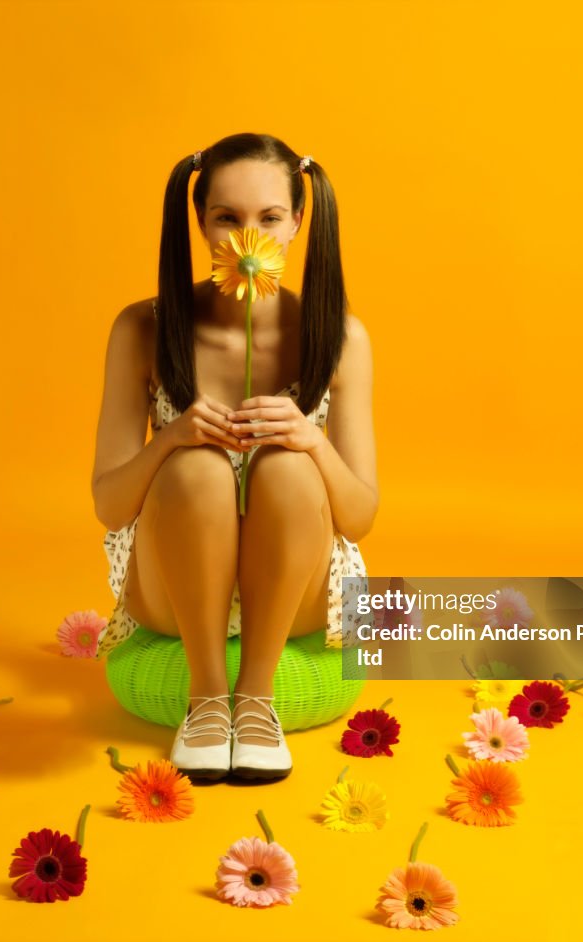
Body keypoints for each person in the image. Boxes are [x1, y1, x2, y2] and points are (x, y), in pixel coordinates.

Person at [91, 132, 378, 781]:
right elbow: (109, 505)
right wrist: (172, 437)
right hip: (173, 582)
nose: (248, 239)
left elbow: (359, 517)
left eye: (270, 218)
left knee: (289, 468)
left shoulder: (340, 339)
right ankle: (208, 698)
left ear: (299, 221)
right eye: (227, 218)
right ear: (199, 221)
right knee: (196, 467)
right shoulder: (142, 329)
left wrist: (310, 441)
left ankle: (255, 701)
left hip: (296, 585)